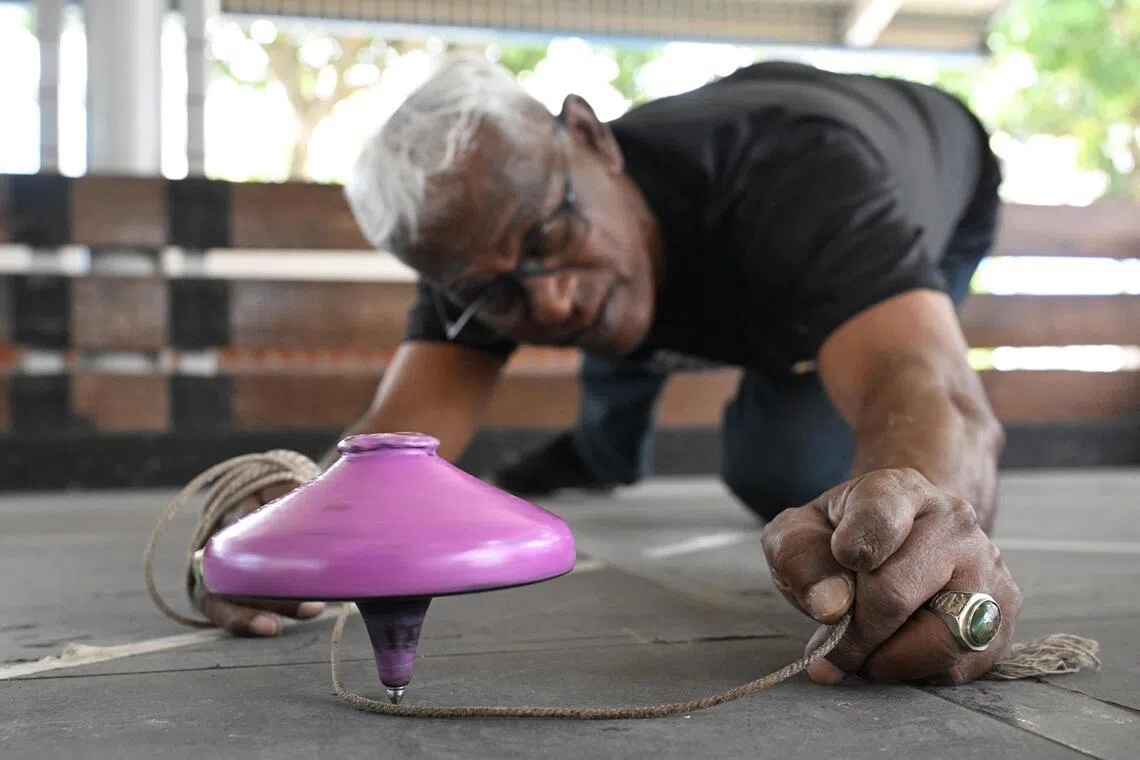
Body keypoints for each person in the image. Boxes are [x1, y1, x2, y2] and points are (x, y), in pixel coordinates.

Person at [190, 53, 1020, 687]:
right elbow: (386, 453)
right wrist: (272, 541)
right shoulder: (481, 249)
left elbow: (929, 392)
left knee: (808, 480)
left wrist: (926, 511)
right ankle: (605, 445)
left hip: (930, 177)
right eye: (493, 294)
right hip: (682, 262)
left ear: (590, 139)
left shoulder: (798, 176)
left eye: (548, 237)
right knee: (624, 326)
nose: (548, 305)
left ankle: (776, 372)